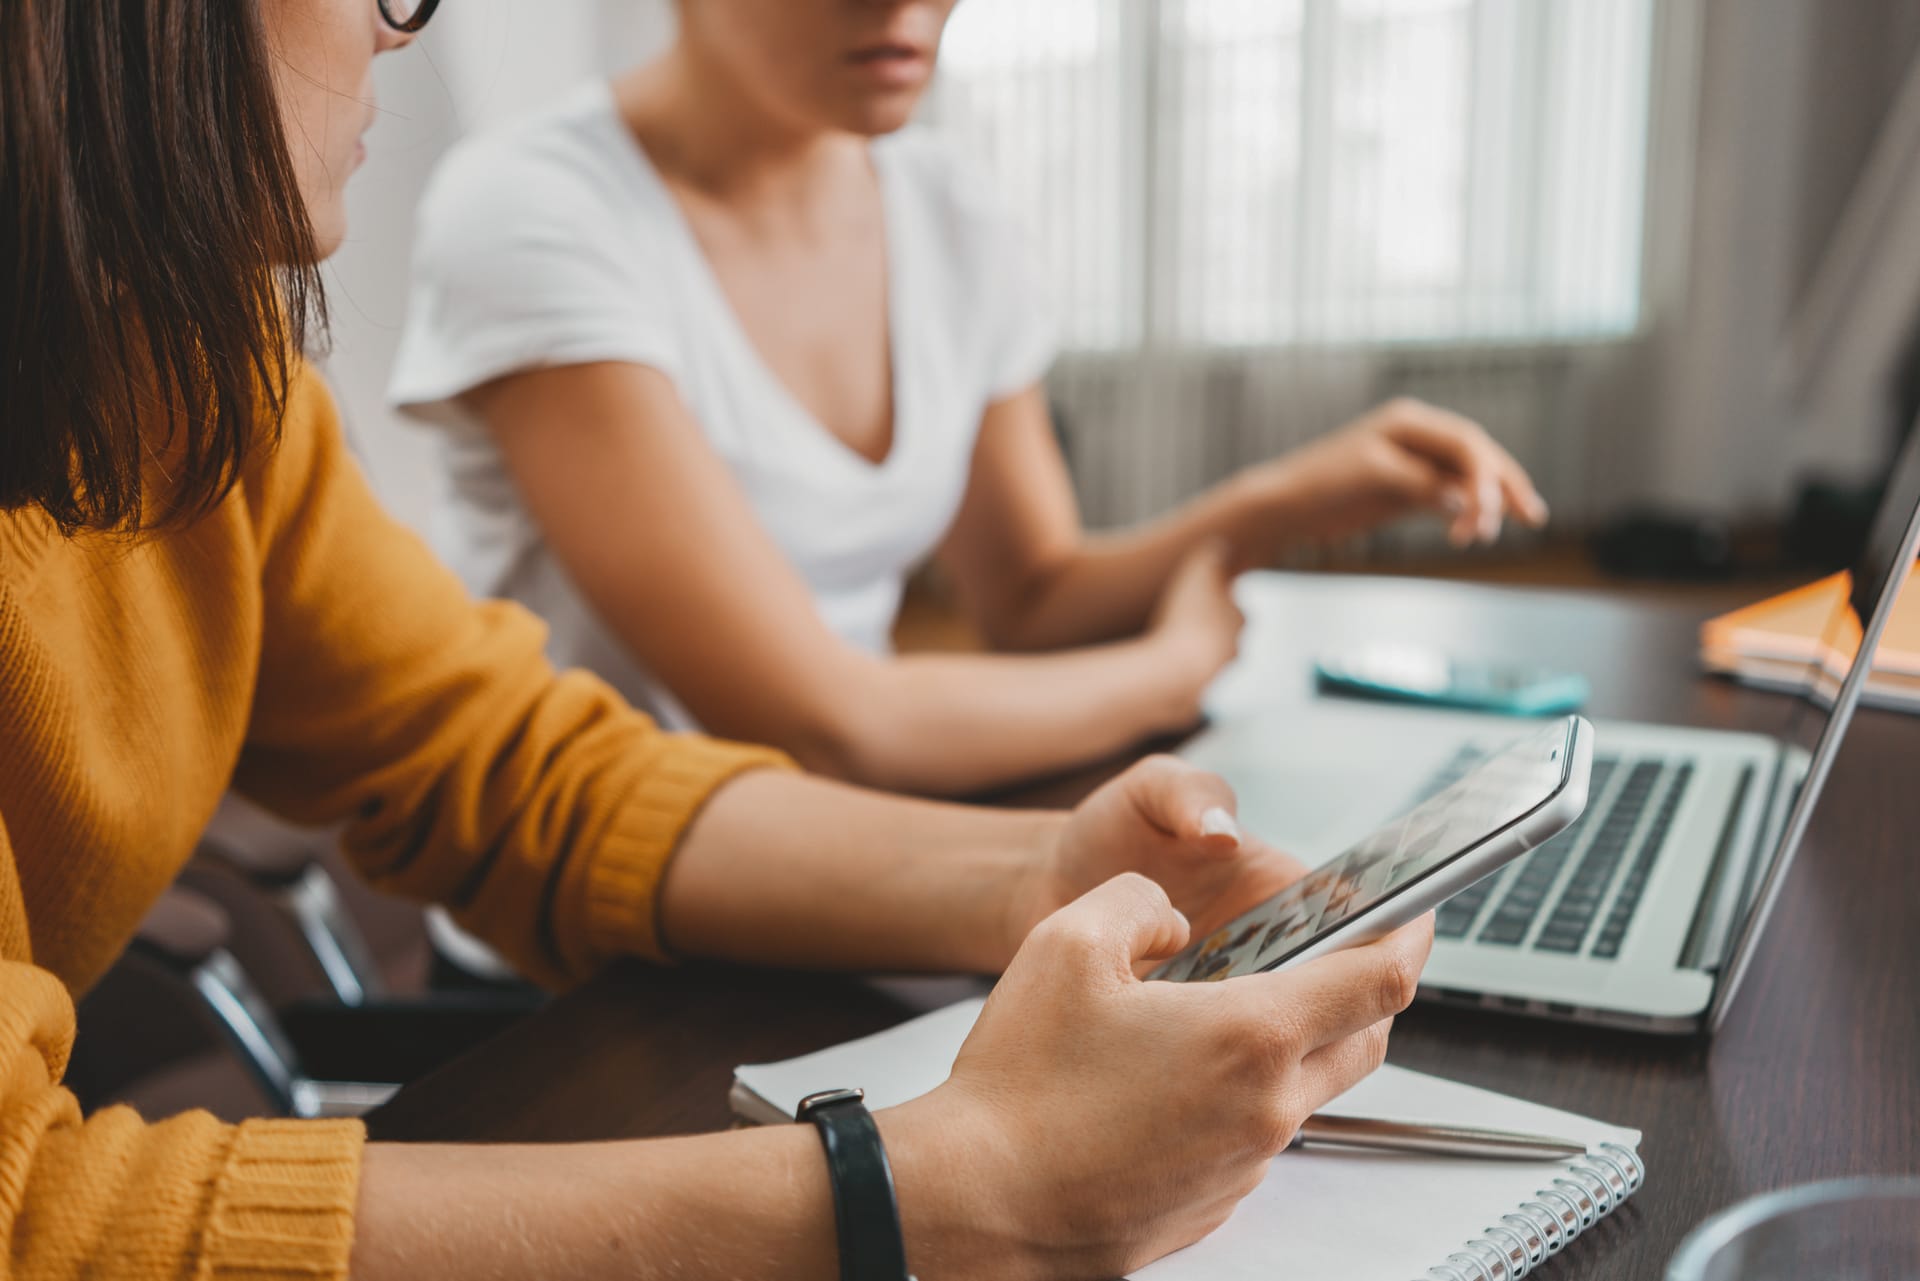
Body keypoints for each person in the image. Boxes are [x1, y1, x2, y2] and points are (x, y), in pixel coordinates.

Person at [0, 1, 1434, 1277]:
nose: (400, 28)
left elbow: (507, 765)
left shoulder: (202, 378)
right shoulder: (535, 211)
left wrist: (1040, 870)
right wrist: (945, 1193)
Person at [390, 0, 1551, 802]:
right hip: (601, 944)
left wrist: (1284, 498)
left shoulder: (950, 210)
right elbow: (831, 723)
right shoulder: (533, 209)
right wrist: (1173, 667)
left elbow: (1033, 597)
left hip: (854, 855)